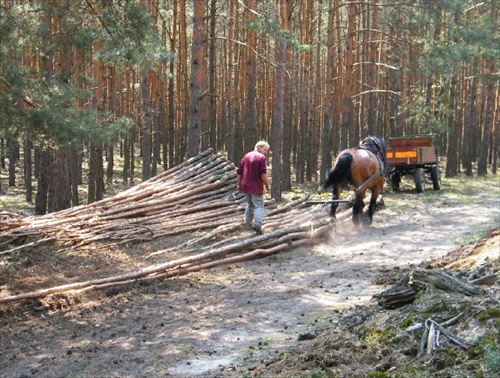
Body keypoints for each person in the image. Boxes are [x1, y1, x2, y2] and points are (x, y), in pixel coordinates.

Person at [236, 141, 270, 235]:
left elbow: (239, 171)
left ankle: (248, 224)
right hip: (256, 185)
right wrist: (267, 185)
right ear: (259, 147)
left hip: (245, 185)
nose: (265, 152)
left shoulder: (246, 156)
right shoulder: (261, 157)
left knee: (250, 204)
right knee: (258, 205)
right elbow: (263, 173)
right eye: (265, 149)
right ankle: (257, 224)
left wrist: (238, 184)